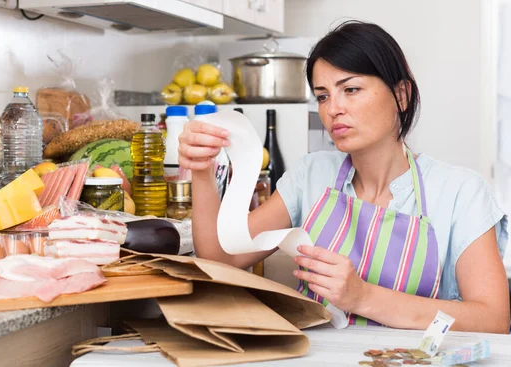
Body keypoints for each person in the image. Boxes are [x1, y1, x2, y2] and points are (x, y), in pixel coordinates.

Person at [178, 20, 510, 333]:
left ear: (402, 95)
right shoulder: (312, 175)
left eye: (350, 89)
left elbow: (492, 319)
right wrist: (202, 169)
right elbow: (221, 257)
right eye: (323, 95)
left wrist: (362, 296)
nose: (333, 108)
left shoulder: (459, 192)